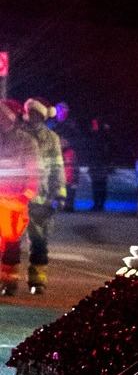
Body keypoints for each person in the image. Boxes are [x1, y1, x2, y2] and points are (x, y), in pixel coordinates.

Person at [10, 100, 66, 289]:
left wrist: (59, 195)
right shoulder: (18, 136)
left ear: (42, 116)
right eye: (29, 113)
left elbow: (57, 168)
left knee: (39, 241)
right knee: (12, 240)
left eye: (36, 114)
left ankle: (37, 280)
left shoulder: (51, 139)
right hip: (18, 197)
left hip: (41, 199)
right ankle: (9, 279)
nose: (31, 117)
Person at [0, 100, 40, 298]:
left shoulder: (26, 141)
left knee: (11, 242)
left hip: (14, 200)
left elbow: (33, 172)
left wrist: (26, 195)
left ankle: (9, 281)